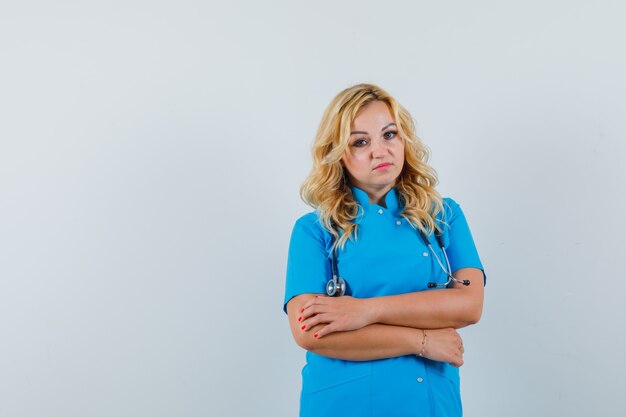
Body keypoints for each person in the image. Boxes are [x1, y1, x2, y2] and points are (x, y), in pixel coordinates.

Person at [283, 83, 486, 417]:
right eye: (361, 142)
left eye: (389, 135)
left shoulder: (443, 215)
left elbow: (469, 305)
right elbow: (311, 332)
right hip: (343, 404)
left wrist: (363, 311)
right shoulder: (314, 230)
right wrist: (421, 340)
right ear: (337, 153)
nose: (380, 151)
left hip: (429, 400)